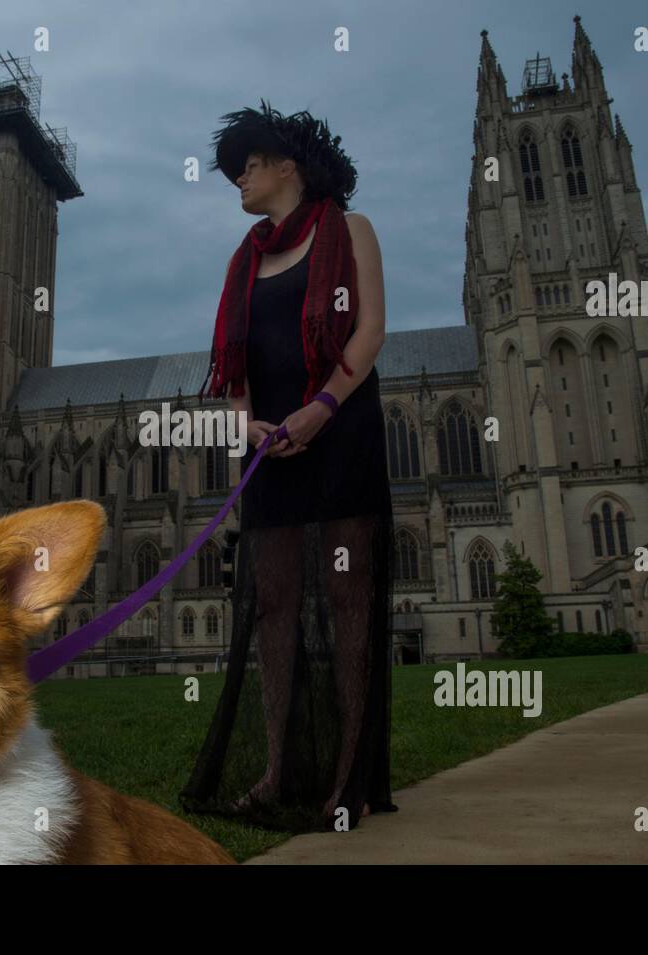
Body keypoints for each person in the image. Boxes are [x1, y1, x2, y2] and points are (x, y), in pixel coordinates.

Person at [180, 100, 398, 833]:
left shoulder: (349, 230)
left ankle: (348, 778)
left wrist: (324, 408)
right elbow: (234, 364)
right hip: (271, 447)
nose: (238, 177)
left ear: (289, 166)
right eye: (233, 167)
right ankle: (279, 770)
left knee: (346, 601)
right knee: (271, 604)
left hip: (339, 435)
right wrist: (247, 423)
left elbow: (369, 332)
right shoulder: (247, 258)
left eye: (249, 162)